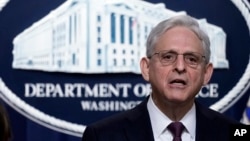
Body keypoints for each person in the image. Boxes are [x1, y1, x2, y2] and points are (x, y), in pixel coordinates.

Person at [82, 15, 242, 141]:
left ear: (206, 74)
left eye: (192, 59)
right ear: (146, 68)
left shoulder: (235, 133)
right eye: (168, 57)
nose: (180, 67)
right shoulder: (102, 136)